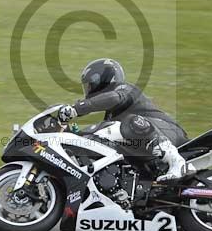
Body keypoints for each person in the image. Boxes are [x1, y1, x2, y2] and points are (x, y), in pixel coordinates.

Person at [57, 58, 192, 181]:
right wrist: (71, 135)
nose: (88, 90)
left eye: (89, 85)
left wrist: (76, 108)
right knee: (101, 136)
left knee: (129, 122)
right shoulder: (112, 115)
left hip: (169, 132)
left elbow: (114, 98)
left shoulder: (125, 89)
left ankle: (176, 161)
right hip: (146, 148)